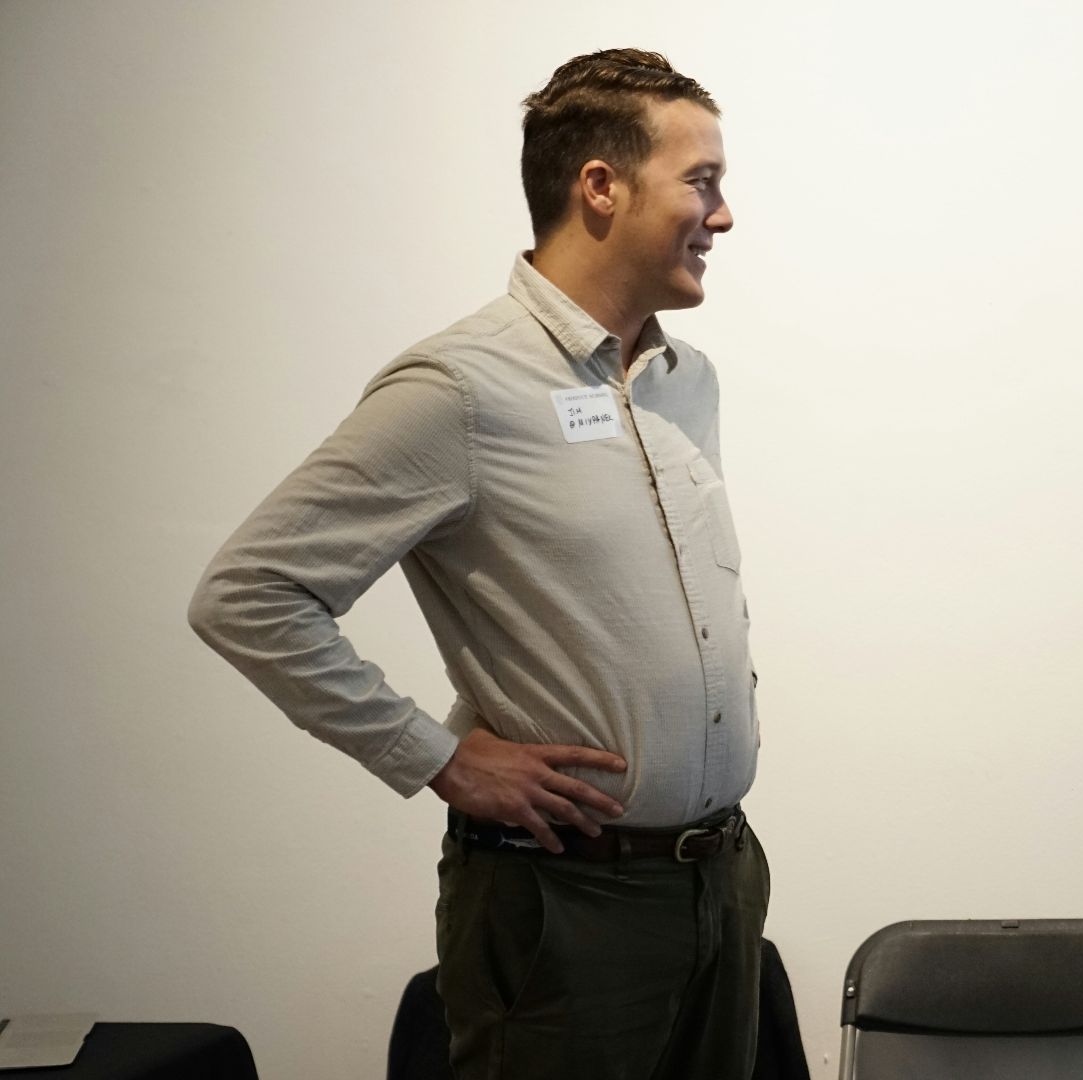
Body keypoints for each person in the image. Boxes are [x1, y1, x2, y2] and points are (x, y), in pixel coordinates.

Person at [188, 49, 767, 1080]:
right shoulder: (459, 388)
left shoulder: (688, 380)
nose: (722, 216)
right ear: (601, 186)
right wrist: (436, 756)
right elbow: (249, 594)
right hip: (565, 905)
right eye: (702, 182)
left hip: (719, 881)